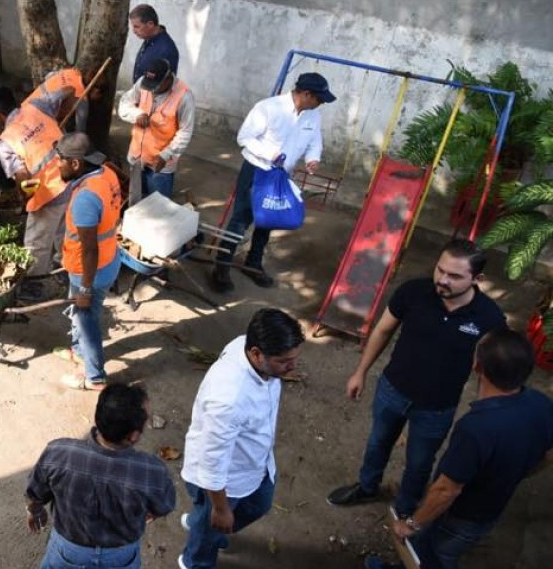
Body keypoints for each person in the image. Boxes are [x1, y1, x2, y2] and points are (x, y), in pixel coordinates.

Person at [327, 240, 507, 519]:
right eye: (440, 270)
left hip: (437, 406)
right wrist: (360, 371)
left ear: (477, 279)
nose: (443, 280)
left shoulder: (489, 318)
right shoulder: (413, 292)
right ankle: (367, 486)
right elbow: (383, 331)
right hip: (392, 390)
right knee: (377, 443)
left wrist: (484, 409)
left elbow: (491, 367)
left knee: (420, 462)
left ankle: (406, 508)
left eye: (455, 276)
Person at [365, 329, 553, 569]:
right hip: (489, 511)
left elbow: (446, 490)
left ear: (477, 367)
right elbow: (548, 454)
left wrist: (410, 524)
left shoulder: (476, 429)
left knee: (436, 555)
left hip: (460, 515)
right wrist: (517, 472)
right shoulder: (541, 403)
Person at [178, 308, 305, 569]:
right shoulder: (230, 398)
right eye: (284, 360)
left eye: (294, 357)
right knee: (210, 531)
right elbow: (211, 462)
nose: (293, 366)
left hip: (255, 463)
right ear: (257, 354)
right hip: (227, 480)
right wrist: (222, 509)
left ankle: (200, 523)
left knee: (259, 504)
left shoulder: (244, 346)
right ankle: (195, 560)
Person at [26, 383, 176, 569]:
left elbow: (35, 493)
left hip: (69, 550)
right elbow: (164, 506)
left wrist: (35, 511)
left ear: (98, 417)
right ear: (134, 436)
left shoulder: (58, 452)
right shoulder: (152, 471)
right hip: (121, 556)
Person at [209, 72, 334, 293]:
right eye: (319, 98)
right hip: (257, 170)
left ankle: (253, 264)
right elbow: (244, 138)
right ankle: (222, 265)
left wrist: (313, 158)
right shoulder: (268, 108)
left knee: (269, 219)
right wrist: (270, 154)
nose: (321, 103)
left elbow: (315, 140)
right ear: (306, 94)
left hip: (282, 174)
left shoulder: (312, 115)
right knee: (241, 219)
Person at [0, 79, 77, 297]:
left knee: (36, 243)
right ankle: (66, 269)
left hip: (48, 194)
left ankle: (35, 284)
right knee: (64, 230)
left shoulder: (6, 141)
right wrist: (60, 118)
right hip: (72, 179)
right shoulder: (37, 107)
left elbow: (22, 176)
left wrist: (25, 199)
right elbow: (69, 90)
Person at [56, 133, 122, 391]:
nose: (56, 164)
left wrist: (84, 288)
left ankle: (95, 377)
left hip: (92, 269)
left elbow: (90, 250)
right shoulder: (106, 173)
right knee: (81, 314)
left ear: (75, 164)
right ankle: (77, 350)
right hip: (109, 259)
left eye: (60, 160)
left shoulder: (85, 197)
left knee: (87, 319)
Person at [118, 58, 195, 203]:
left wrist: (166, 155)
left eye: (156, 87)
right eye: (150, 86)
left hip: (160, 166)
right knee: (135, 203)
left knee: (157, 207)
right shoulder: (143, 83)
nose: (151, 91)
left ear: (168, 78)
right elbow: (124, 104)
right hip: (136, 158)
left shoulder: (184, 96)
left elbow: (185, 132)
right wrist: (137, 114)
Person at [129, 4, 179, 82]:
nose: (134, 31)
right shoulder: (149, 38)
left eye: (137, 27)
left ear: (150, 24)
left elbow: (164, 85)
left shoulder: (166, 50)